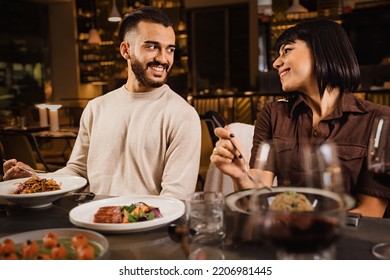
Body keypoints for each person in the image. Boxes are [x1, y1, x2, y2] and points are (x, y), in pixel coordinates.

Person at [3, 7, 201, 200]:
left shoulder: (182, 115)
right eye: (151, 46)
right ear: (126, 50)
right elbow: (78, 171)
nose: (163, 59)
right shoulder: (96, 107)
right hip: (92, 220)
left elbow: (176, 198)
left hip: (148, 227)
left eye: (170, 49)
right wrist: (38, 180)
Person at [211, 19, 390, 218]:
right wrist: (240, 176)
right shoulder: (272, 114)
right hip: (287, 237)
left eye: (287, 50)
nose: (276, 63)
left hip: (347, 241)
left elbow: (370, 212)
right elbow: (255, 202)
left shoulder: (379, 119)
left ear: (322, 50)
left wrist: (307, 227)